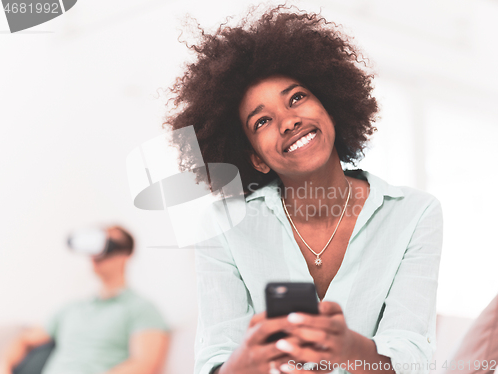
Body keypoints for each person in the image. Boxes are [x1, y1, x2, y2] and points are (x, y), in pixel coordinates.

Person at [166, 6, 443, 374]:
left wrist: (347, 348)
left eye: (296, 98)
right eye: (262, 120)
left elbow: (412, 360)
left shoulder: (414, 213)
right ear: (257, 159)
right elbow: (214, 359)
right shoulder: (224, 226)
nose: (289, 121)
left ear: (331, 108)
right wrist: (248, 362)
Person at [0, 225, 170, 374]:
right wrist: (3, 367)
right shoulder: (71, 308)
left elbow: (145, 365)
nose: (98, 252)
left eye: (108, 244)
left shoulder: (141, 309)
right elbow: (25, 340)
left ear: (126, 254)